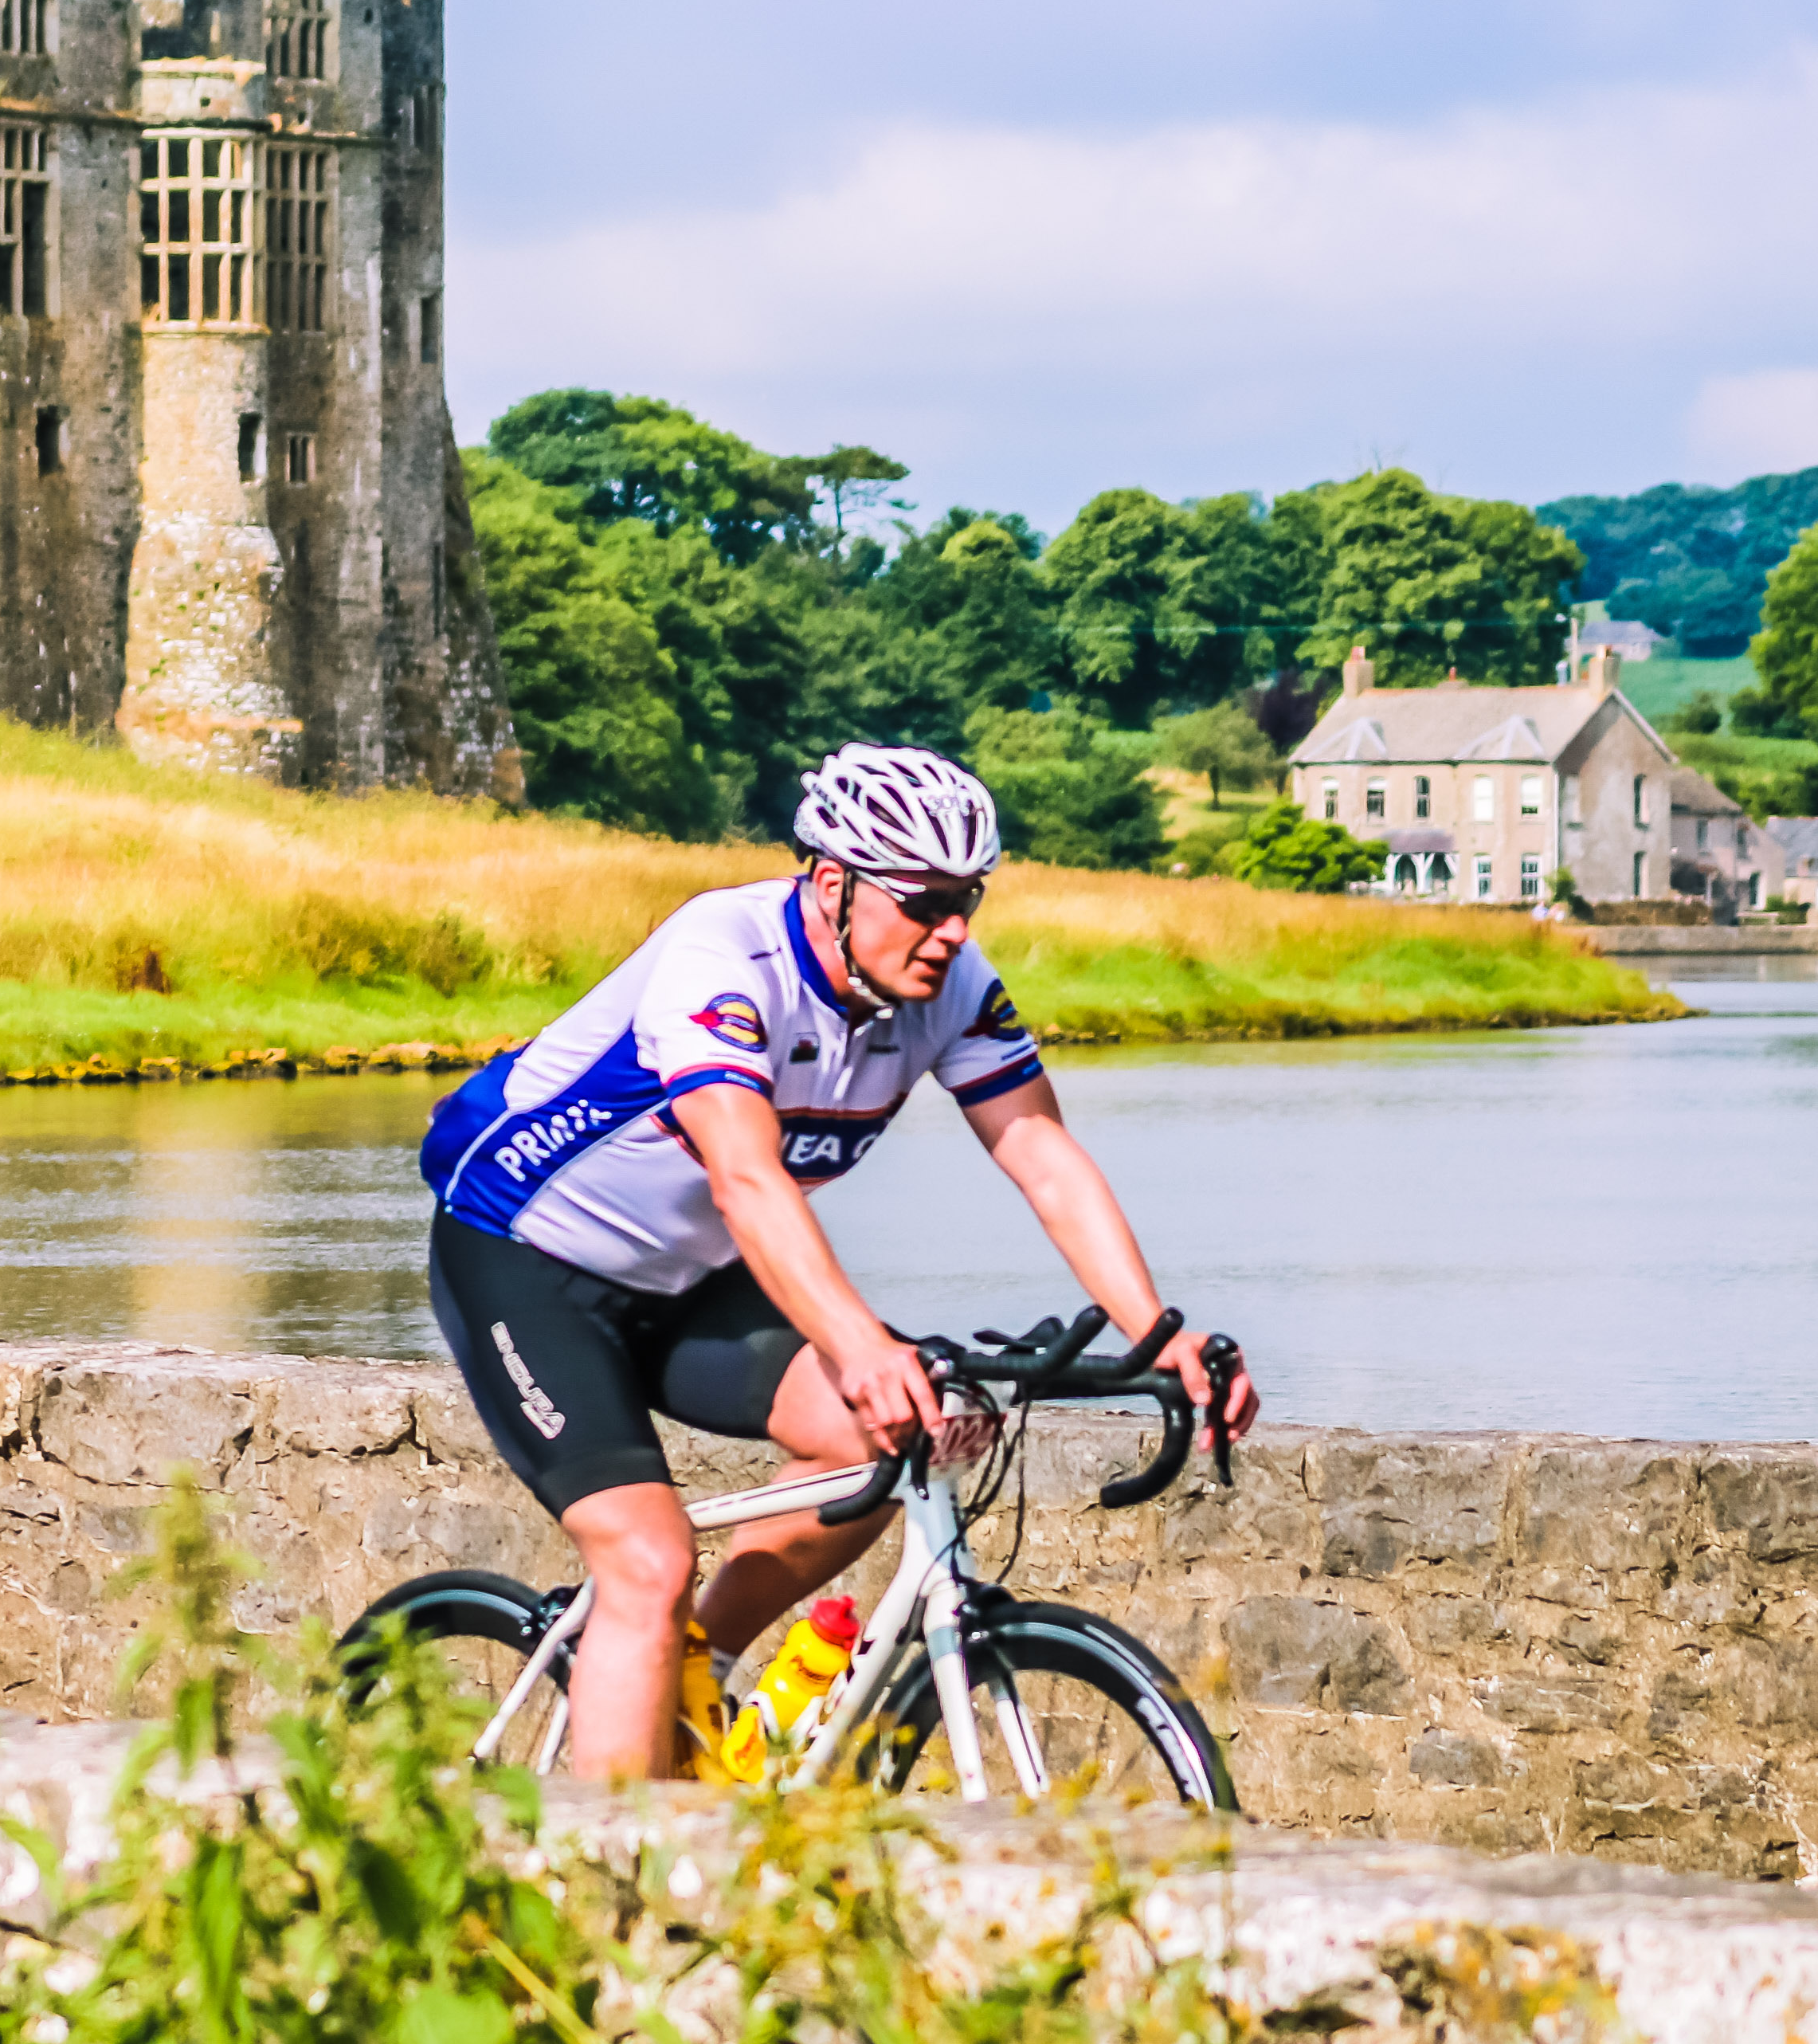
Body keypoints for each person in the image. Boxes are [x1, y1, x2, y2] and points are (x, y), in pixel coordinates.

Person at [415, 742, 1254, 1779]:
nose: (951, 930)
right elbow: (744, 1177)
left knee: (910, 1426)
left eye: (969, 899)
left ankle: (692, 1673)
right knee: (646, 1557)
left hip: (683, 1283)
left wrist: (1157, 1334)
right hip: (525, 1259)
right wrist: (856, 1340)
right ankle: (600, 1908)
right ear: (830, 882)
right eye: (923, 899)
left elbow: (1038, 1152)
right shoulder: (722, 955)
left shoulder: (950, 985)